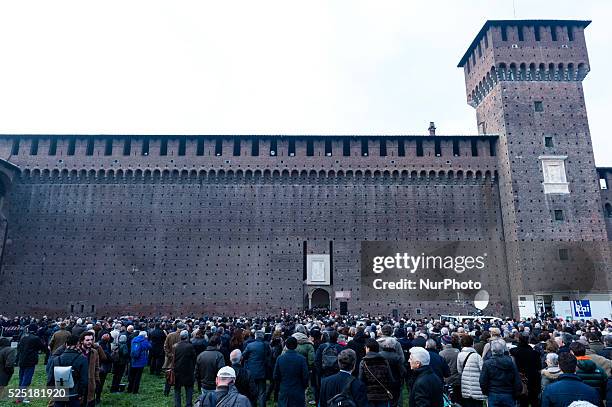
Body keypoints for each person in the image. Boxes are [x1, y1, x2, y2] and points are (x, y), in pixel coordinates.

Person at [46, 334, 89, 407]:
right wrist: (81, 394)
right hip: (74, 393)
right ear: (78, 344)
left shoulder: (56, 359)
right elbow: (84, 380)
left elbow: (50, 379)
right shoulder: (82, 359)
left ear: (66, 344)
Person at [479, 339, 522, 407]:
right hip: (506, 394)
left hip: (495, 393)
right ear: (503, 350)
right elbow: (517, 380)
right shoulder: (511, 362)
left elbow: (482, 381)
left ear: (492, 351)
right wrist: (516, 393)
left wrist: (486, 392)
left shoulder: (488, 363)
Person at [273, 336, 309, 407]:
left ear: (286, 345)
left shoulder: (280, 358)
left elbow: (275, 375)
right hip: (298, 390)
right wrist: (304, 386)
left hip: (284, 389)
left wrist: (280, 384)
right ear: (296, 345)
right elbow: (305, 376)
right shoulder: (302, 359)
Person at [359, 338, 395, 407]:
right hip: (383, 395)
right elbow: (390, 378)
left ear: (368, 348)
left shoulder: (363, 362)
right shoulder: (384, 361)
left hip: (369, 396)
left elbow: (361, 380)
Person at [16, 324, 47, 403]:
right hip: (30, 361)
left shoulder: (23, 337)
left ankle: (20, 397)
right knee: (26, 380)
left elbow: (19, 348)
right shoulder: (35, 338)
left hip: (22, 360)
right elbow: (43, 348)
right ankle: (21, 398)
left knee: (21, 379)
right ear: (35, 330)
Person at [510, 333, 542, 407]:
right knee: (534, 401)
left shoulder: (515, 351)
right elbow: (539, 367)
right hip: (532, 380)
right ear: (528, 340)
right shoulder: (535, 353)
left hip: (523, 379)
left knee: (523, 402)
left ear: (519, 340)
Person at [457, 334, 486, 407]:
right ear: (472, 343)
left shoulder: (460, 355)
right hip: (477, 387)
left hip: (465, 386)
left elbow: (459, 371)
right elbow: (483, 370)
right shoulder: (477, 356)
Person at [243, 330, 270, 407]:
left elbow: (243, 356)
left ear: (255, 336)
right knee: (262, 392)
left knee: (252, 391)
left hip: (252, 372)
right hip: (262, 371)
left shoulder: (250, 345)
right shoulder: (266, 345)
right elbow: (269, 356)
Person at [174, 330, 197, 407]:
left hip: (177, 370)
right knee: (189, 389)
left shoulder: (175, 346)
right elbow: (194, 358)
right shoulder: (190, 346)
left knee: (177, 389)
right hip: (188, 371)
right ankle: (188, 405)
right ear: (187, 337)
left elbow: (173, 358)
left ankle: (177, 405)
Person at [127, 330, 151, 394]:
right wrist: (147, 340)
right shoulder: (144, 341)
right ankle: (135, 390)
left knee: (132, 375)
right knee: (138, 376)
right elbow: (149, 346)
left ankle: (129, 389)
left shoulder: (134, 339)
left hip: (133, 360)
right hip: (141, 361)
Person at [439, 335, 460, 402]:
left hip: (447, 379)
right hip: (457, 378)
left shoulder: (442, 353)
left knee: (448, 399)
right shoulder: (457, 351)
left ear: (443, 343)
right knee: (457, 398)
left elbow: (441, 367)